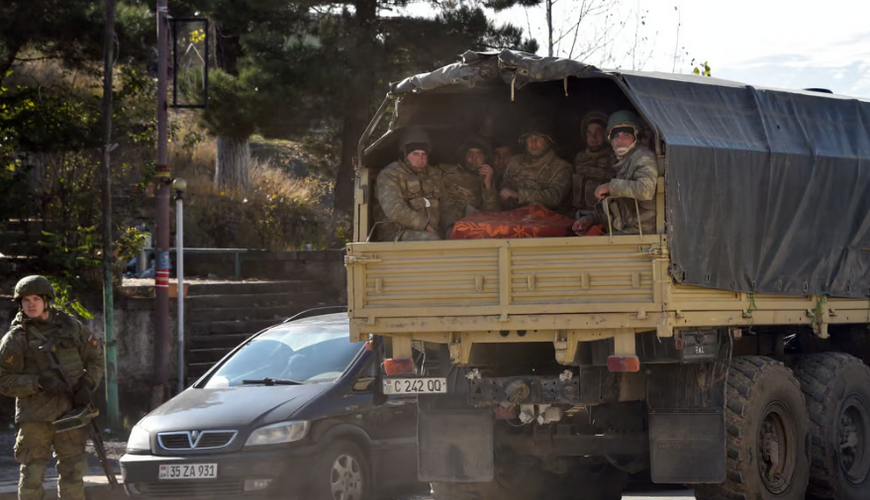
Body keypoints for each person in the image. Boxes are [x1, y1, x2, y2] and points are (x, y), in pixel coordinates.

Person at [0, 275, 104, 500]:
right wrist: (36, 382)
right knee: (33, 474)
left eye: (36, 298)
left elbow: (96, 358)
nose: (31, 304)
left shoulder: (71, 327)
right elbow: (4, 380)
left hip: (70, 414)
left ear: (47, 300)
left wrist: (87, 384)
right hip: (35, 417)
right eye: (25, 300)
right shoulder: (15, 339)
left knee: (73, 471)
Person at [574, 110, 659, 235]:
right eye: (615, 136)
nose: (620, 140)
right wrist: (591, 219)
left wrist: (610, 186)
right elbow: (618, 206)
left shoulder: (642, 157)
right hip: (627, 227)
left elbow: (646, 189)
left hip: (641, 230)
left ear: (636, 137)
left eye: (626, 135)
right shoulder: (624, 161)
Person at [375, 126, 443, 241]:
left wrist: (451, 226)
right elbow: (394, 209)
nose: (420, 159)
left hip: (432, 230)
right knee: (431, 241)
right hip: (396, 233)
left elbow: (445, 205)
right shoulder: (390, 174)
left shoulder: (434, 175)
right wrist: (425, 225)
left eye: (423, 154)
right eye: (416, 154)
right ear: (405, 155)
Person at [498, 120, 572, 211]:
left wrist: (520, 194)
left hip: (546, 220)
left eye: (539, 138)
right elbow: (503, 190)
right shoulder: (514, 162)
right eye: (529, 138)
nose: (533, 142)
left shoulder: (561, 167)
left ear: (548, 141)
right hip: (513, 217)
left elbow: (555, 197)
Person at [438, 135, 499, 238]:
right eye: (470, 153)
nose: (474, 157)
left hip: (475, 228)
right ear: (464, 155)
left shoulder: (487, 179)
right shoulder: (445, 172)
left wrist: (487, 184)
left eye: (478, 153)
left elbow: (492, 213)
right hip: (449, 226)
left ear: (485, 157)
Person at [572, 111, 617, 213]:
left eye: (598, 132)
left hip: (603, 215)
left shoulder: (614, 157)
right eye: (589, 133)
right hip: (578, 212)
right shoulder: (580, 157)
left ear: (606, 134)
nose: (593, 137)